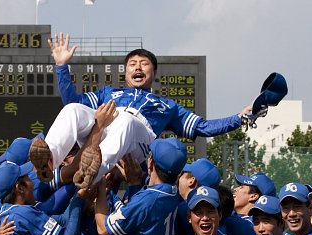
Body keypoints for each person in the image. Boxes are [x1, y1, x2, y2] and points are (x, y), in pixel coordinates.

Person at [28, 33, 250, 187]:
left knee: (125, 120)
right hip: (108, 130)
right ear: (125, 72)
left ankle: (92, 173)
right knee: (74, 109)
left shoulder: (167, 106)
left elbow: (203, 127)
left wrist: (239, 119)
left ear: (153, 72)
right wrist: (61, 67)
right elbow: (70, 101)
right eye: (132, 63)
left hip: (137, 140)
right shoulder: (109, 93)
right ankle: (49, 160)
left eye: (144, 63)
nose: (137, 67)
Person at [94, 137, 187, 235]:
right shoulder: (176, 195)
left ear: (150, 163)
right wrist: (134, 185)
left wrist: (100, 186)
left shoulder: (148, 199)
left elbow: (103, 229)